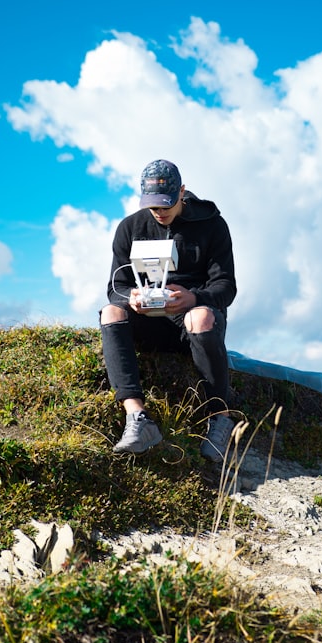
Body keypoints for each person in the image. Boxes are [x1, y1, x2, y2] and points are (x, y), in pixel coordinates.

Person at [100, 159, 237, 462]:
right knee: (111, 312)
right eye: (153, 207)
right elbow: (115, 286)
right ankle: (138, 419)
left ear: (182, 193)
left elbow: (226, 287)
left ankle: (220, 418)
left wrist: (194, 297)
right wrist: (132, 297)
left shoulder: (212, 225)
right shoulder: (130, 227)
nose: (160, 213)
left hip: (194, 322)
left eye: (167, 205)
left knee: (200, 315)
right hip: (149, 320)